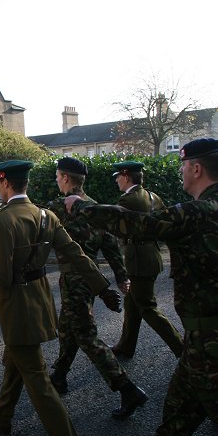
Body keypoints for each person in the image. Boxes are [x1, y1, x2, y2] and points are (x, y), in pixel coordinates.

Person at [65, 138, 218, 436]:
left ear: (196, 168)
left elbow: (139, 227)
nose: (180, 170)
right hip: (200, 340)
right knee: (181, 402)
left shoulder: (199, 212)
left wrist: (82, 208)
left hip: (211, 339)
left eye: (183, 165)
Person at [0, 159, 122, 436]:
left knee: (39, 383)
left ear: (5, 183)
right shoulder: (46, 215)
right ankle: (2, 415)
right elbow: (76, 253)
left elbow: (1, 276)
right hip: (41, 300)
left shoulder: (0, 220)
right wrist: (102, 288)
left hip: (18, 309)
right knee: (15, 362)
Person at [48, 157, 147, 418]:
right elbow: (111, 247)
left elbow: (33, 219)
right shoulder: (93, 207)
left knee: (85, 335)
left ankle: (128, 390)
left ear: (66, 178)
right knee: (69, 327)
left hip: (75, 279)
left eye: (58, 176)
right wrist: (121, 276)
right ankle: (59, 374)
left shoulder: (60, 207)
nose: (56, 181)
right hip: (89, 280)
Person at [110, 160, 183, 359]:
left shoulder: (129, 200)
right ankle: (126, 345)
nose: (116, 181)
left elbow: (113, 224)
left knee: (148, 308)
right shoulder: (153, 197)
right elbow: (167, 224)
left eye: (118, 177)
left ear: (125, 176)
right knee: (132, 303)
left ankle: (182, 349)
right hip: (150, 255)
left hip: (139, 261)